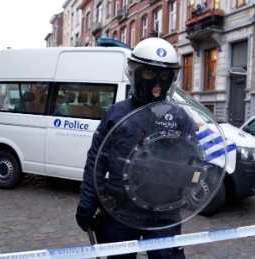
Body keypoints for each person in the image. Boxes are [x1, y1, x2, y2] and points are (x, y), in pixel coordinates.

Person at [76, 38, 192, 259]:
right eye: (150, 73)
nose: (157, 81)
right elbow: (96, 163)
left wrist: (191, 186)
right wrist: (86, 202)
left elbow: (193, 162)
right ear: (136, 73)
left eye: (164, 75)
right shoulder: (116, 115)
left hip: (163, 216)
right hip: (119, 213)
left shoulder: (180, 118)